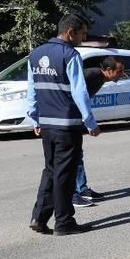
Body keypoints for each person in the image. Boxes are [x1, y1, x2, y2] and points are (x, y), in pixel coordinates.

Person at [26, 13, 100, 236]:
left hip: (46, 125)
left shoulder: (35, 54)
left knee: (51, 170)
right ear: (70, 32)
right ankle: (64, 222)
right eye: (82, 34)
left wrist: (34, 118)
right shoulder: (70, 55)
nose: (83, 38)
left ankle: (39, 217)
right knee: (64, 175)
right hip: (67, 125)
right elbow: (80, 92)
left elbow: (32, 91)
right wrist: (90, 122)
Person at [71, 56, 125, 208]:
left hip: (76, 118)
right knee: (72, 156)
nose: (122, 74)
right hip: (68, 118)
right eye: (119, 71)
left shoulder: (101, 78)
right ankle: (72, 194)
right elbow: (75, 93)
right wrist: (89, 122)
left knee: (77, 155)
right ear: (108, 70)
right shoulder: (92, 75)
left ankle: (82, 189)